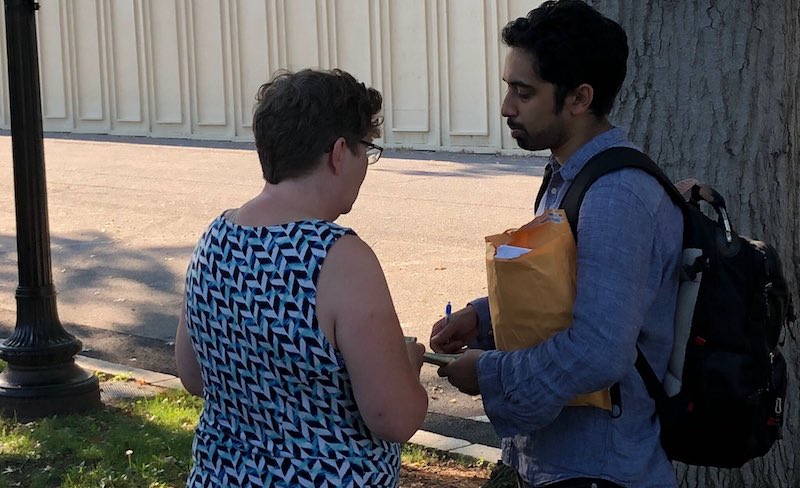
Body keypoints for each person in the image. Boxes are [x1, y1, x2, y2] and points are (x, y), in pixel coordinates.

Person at [430, 2, 682, 487]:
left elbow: (598, 351)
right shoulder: (571, 174)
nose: (506, 107)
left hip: (600, 469)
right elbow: (563, 294)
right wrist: (481, 319)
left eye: (523, 92)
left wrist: (489, 374)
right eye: (508, 87)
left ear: (579, 98)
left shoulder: (616, 194)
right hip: (563, 463)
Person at [175, 68, 428, 487]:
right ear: (339, 152)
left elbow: (193, 375)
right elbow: (394, 417)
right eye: (366, 149)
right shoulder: (341, 259)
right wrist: (407, 367)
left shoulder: (216, 237)